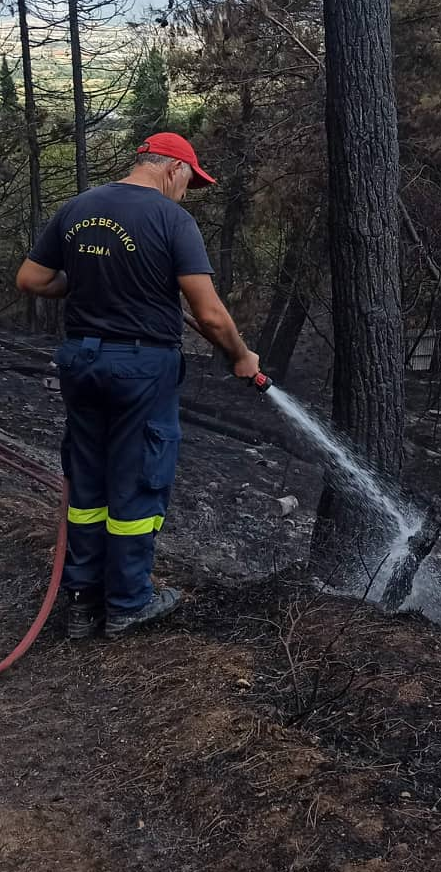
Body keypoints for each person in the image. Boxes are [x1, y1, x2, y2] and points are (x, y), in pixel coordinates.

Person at [16, 132, 261, 640]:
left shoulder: (78, 208)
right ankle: (129, 601)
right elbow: (211, 316)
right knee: (137, 480)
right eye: (190, 181)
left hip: (81, 361)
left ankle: (83, 604)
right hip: (140, 368)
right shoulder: (173, 220)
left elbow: (32, 280)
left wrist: (82, 283)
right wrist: (241, 356)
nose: (187, 192)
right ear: (172, 168)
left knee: (87, 482)